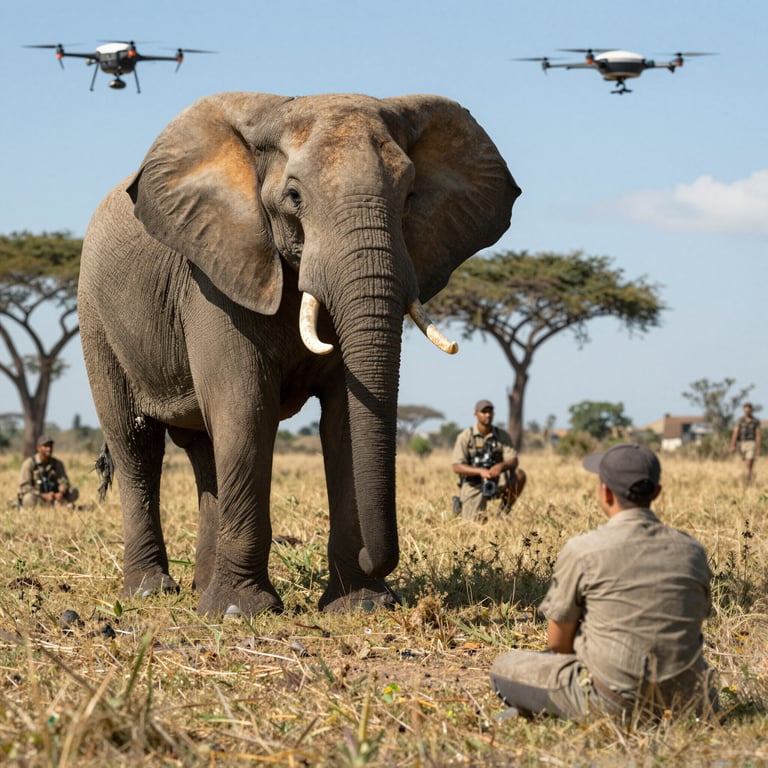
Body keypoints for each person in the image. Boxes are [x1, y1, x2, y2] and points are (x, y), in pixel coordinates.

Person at [490, 443, 717, 720]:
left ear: (605, 492)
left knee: (505, 666)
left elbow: (558, 643)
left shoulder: (583, 550)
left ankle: (547, 711)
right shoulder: (692, 551)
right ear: (656, 492)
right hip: (692, 701)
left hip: (611, 702)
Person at [451, 399, 526, 521]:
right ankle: (461, 506)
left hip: (496, 480)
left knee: (519, 475)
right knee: (475, 523)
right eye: (484, 412)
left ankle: (502, 514)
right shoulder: (465, 436)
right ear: (476, 414)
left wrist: (500, 467)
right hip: (474, 484)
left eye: (490, 412)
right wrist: (480, 472)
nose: (488, 415)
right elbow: (456, 466)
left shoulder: (501, 435)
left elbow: (513, 460)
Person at [18, 435, 79, 509]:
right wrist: (43, 495)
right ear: (38, 448)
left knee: (74, 491)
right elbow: (25, 487)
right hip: (39, 497)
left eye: (50, 446)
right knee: (28, 498)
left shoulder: (57, 464)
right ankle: (58, 506)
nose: (49, 449)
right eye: (45, 446)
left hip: (55, 497)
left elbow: (64, 481)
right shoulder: (29, 463)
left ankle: (58, 504)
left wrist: (61, 493)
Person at [730, 402, 761, 484]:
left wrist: (758, 448)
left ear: (751, 409)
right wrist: (732, 445)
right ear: (743, 409)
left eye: (749, 408)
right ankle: (747, 478)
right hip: (741, 444)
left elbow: (758, 434)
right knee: (745, 463)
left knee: (748, 462)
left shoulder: (755, 421)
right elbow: (735, 432)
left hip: (751, 443)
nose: (747, 410)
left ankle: (747, 480)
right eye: (746, 408)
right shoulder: (740, 420)